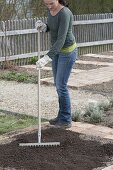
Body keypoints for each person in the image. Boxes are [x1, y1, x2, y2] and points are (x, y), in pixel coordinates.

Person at [35, 0, 77, 129]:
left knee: (61, 86)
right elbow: (53, 28)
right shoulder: (50, 10)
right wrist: (44, 27)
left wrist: (47, 57)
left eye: (51, 3)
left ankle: (66, 120)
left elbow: (61, 38)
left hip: (67, 52)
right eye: (46, 3)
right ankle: (61, 116)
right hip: (57, 52)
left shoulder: (65, 13)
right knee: (58, 85)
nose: (49, 6)